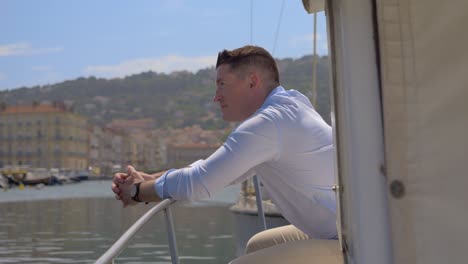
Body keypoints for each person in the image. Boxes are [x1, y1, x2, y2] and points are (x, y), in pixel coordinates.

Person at [112, 45, 338, 259]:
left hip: (349, 240)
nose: (216, 96)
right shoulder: (291, 106)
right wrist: (152, 179)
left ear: (252, 82)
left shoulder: (268, 123)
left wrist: (137, 191)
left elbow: (197, 184)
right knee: (257, 245)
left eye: (222, 84)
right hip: (344, 227)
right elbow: (216, 170)